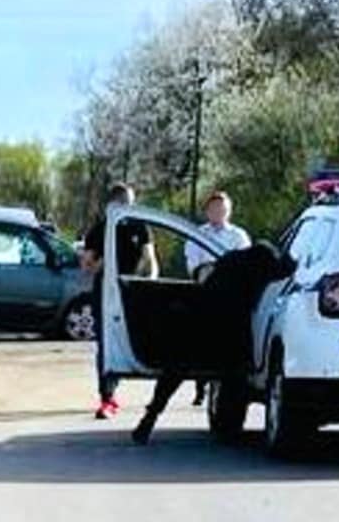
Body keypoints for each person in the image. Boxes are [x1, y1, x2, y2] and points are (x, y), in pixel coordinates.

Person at [129, 242, 297, 445]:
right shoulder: (262, 264)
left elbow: (205, 278)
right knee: (236, 375)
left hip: (200, 322)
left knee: (174, 372)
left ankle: (149, 418)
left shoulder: (229, 259)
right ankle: (229, 429)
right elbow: (287, 269)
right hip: (232, 328)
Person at [81, 183, 158, 421]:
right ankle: (107, 397)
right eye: (124, 203)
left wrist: (151, 280)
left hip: (132, 291)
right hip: (105, 292)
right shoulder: (100, 229)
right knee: (106, 344)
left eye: (131, 203)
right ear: (111, 205)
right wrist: (101, 263)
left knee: (133, 339)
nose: (128, 207)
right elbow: (87, 266)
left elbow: (150, 259)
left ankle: (141, 386)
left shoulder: (139, 226)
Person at [184, 191, 251, 406]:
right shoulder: (197, 234)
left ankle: (222, 386)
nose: (218, 213)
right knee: (201, 341)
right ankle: (200, 386)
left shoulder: (239, 236)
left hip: (231, 300)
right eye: (214, 209)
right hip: (205, 294)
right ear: (207, 211)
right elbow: (193, 264)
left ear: (229, 211)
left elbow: (246, 265)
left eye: (222, 209)